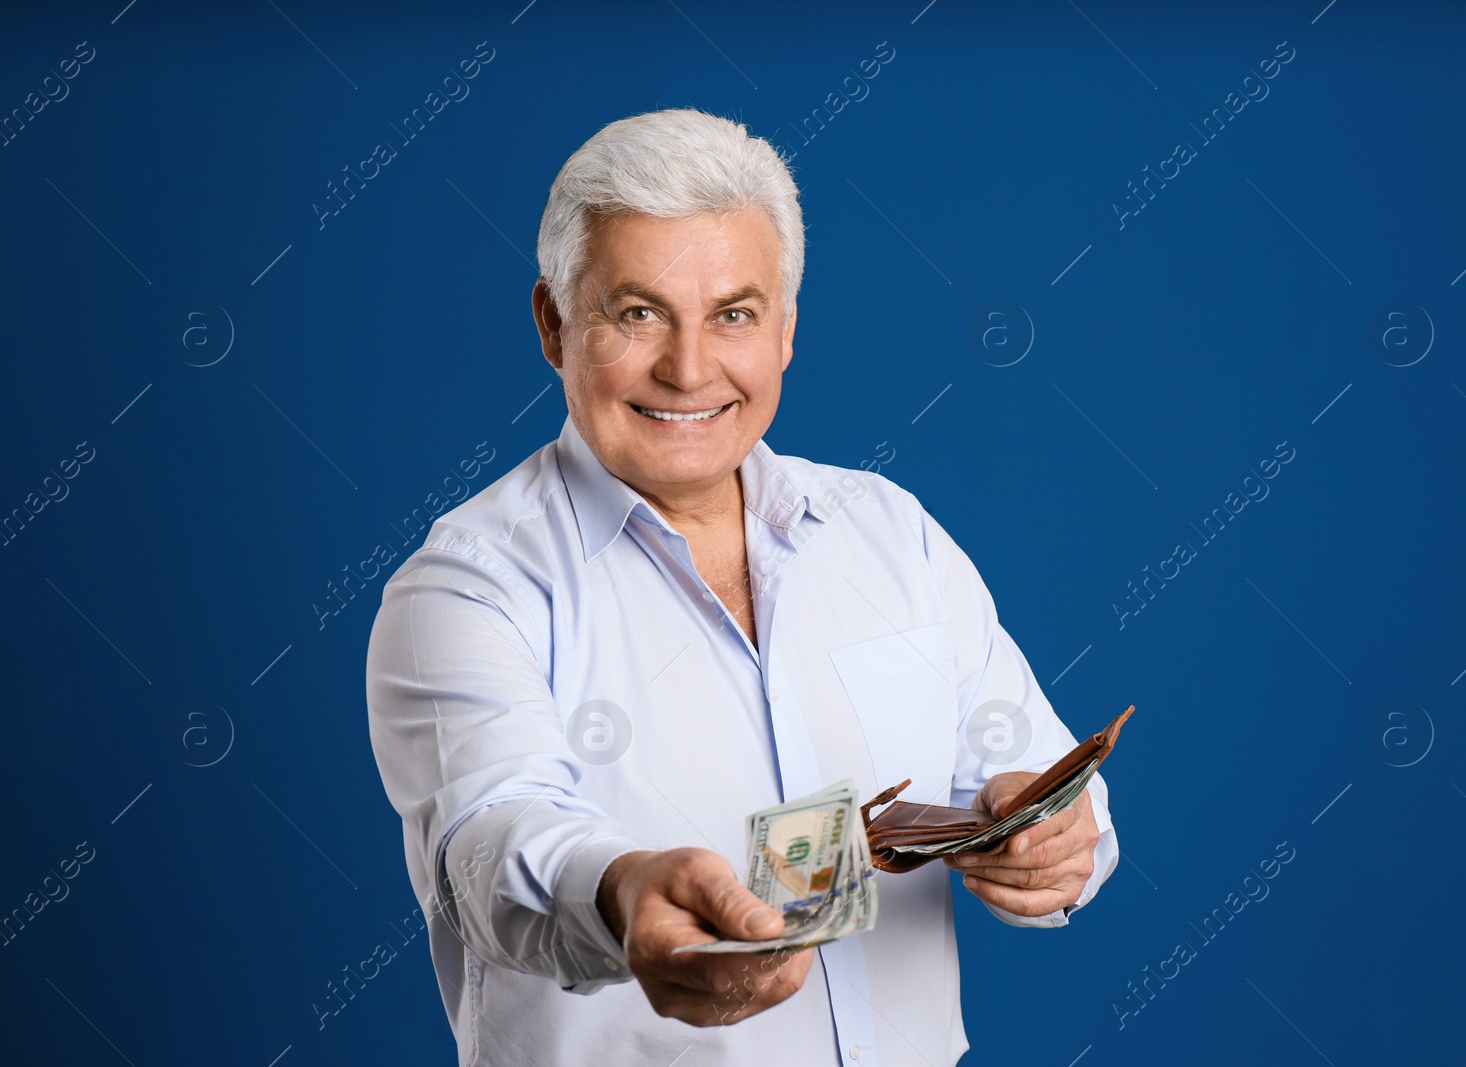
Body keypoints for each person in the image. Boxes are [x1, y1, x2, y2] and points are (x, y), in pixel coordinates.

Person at [366, 107, 1119, 1067]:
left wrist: (1061, 842)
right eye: (636, 313)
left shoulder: (893, 533)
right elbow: (487, 845)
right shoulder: (465, 589)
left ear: (786, 331)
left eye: (734, 314)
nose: (688, 369)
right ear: (555, 324)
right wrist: (622, 891)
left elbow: (1052, 796)